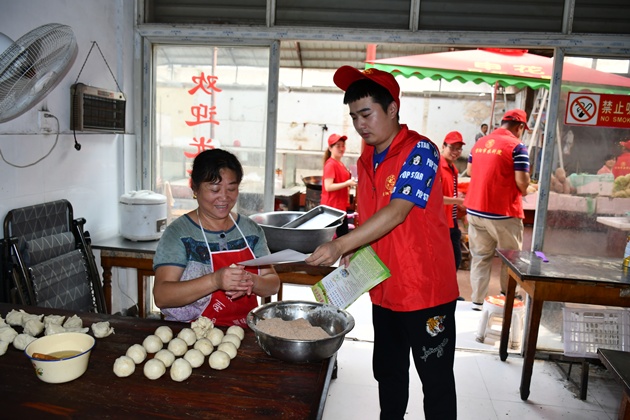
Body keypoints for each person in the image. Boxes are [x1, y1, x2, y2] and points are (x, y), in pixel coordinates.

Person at [306, 66, 459, 420]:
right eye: (353, 116)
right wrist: (356, 248)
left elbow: (398, 211)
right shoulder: (366, 159)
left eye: (366, 113)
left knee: (435, 381)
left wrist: (340, 245)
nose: (360, 124)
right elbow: (370, 216)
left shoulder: (420, 151)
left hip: (424, 291)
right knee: (388, 375)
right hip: (384, 286)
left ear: (392, 109)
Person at [152, 148, 280, 326]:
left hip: (243, 329)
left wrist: (252, 281)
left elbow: (273, 283)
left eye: (231, 189)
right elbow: (162, 296)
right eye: (215, 189)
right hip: (191, 331)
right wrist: (215, 281)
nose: (224, 197)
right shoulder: (179, 233)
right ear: (195, 188)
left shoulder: (250, 230)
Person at [464, 109, 531, 311]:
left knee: (480, 257)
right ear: (520, 127)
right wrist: (528, 188)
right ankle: (508, 299)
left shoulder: (479, 143)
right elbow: (522, 182)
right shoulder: (517, 146)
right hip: (503, 213)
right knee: (511, 259)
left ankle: (477, 302)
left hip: (476, 210)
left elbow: (470, 171)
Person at [321, 133, 357, 237]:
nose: (341, 148)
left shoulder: (340, 163)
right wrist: (347, 183)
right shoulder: (330, 164)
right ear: (330, 148)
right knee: (335, 237)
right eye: (338, 146)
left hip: (340, 207)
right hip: (332, 208)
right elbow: (328, 187)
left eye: (343, 146)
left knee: (342, 236)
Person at [439, 131, 466, 271]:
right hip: (440, 223)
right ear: (443, 146)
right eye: (452, 148)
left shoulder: (452, 168)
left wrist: (457, 198)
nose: (455, 152)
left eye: (459, 149)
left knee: (454, 261)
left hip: (451, 221)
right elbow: (434, 198)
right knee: (448, 262)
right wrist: (459, 201)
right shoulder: (437, 167)